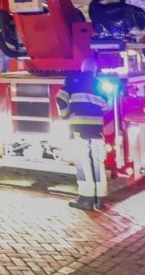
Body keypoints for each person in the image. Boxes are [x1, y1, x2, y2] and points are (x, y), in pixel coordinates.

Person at [56, 64, 110, 211]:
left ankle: (85, 200)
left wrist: (64, 115)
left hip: (78, 129)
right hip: (96, 131)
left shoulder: (73, 81)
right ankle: (100, 199)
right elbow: (106, 107)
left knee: (83, 163)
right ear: (94, 70)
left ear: (81, 68)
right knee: (98, 163)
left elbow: (60, 99)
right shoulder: (100, 85)